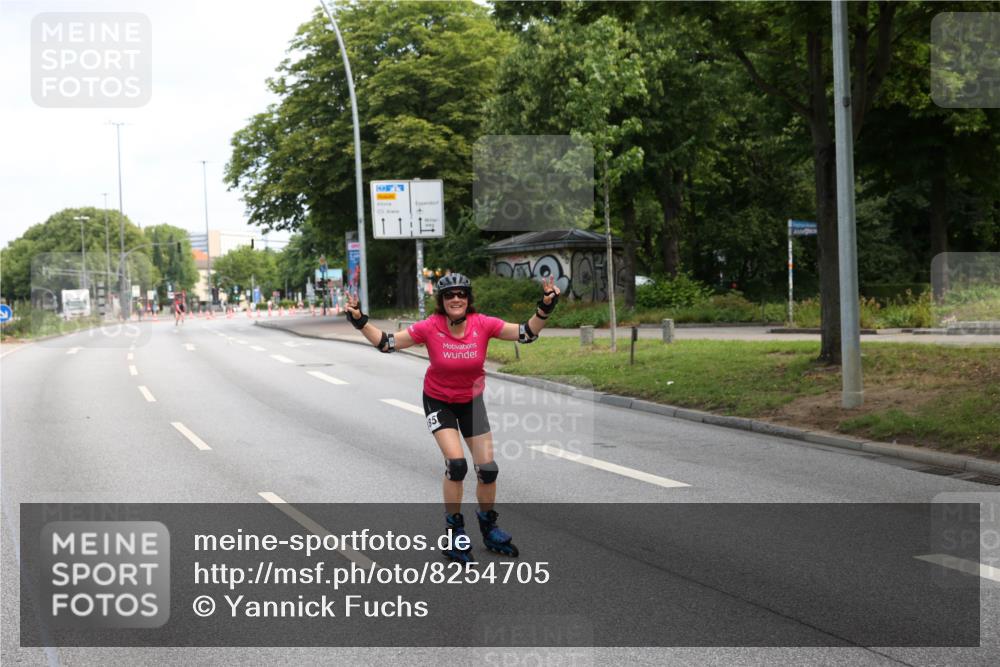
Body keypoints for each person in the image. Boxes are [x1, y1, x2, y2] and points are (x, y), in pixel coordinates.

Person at [344, 273, 560, 563]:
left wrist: (545, 307)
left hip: (471, 401)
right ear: (442, 301)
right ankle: (454, 530)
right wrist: (360, 321)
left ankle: (488, 525)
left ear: (468, 299)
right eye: (449, 295)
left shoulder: (482, 324)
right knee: (457, 465)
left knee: (488, 469)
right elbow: (386, 343)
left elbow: (526, 333)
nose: (456, 299)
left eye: (461, 294)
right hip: (438, 401)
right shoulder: (430, 327)